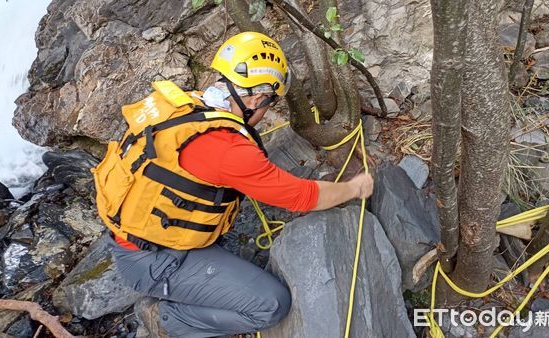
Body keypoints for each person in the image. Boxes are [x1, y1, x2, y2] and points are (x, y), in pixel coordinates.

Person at [104, 32, 374, 337]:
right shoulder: (227, 149)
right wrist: (356, 187)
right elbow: (301, 196)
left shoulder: (187, 105)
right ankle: (167, 319)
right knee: (271, 304)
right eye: (269, 103)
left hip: (134, 234)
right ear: (257, 98)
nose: (265, 111)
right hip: (153, 260)